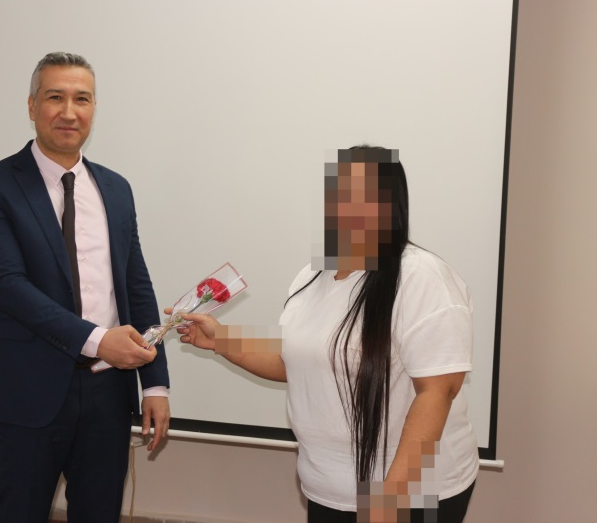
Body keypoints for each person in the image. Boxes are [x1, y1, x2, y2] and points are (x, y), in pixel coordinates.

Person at [174, 147, 478, 523]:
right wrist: (221, 341)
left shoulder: (422, 277)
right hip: (327, 489)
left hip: (408, 497)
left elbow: (437, 391)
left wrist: (389, 501)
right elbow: (297, 362)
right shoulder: (313, 275)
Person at [0, 52, 170, 523]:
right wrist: (98, 340)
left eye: (82, 99)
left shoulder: (115, 188)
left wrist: (155, 383)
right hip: (28, 390)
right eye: (55, 97)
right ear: (32, 105)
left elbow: (137, 286)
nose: (69, 112)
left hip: (109, 393)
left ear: (94, 108)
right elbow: (9, 287)